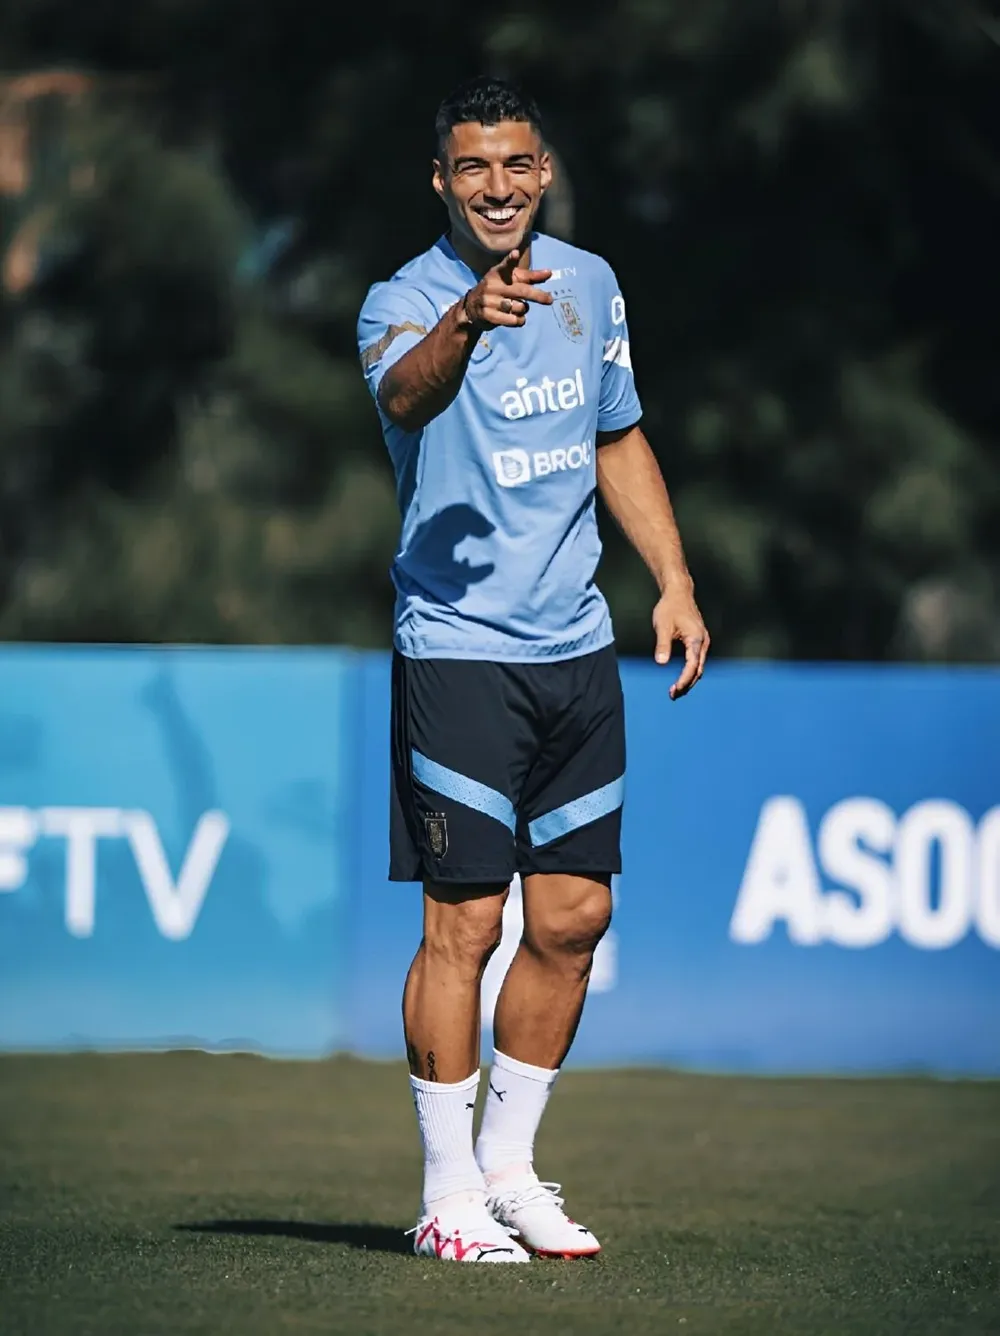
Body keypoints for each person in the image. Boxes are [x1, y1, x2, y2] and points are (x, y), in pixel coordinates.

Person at [357, 76, 708, 1264]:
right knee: (465, 919)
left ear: (541, 171)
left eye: (514, 165)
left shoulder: (593, 283)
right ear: (441, 182)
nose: (495, 186)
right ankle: (446, 1194)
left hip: (577, 650)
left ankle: (509, 1172)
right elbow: (407, 390)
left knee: (573, 916)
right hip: (457, 651)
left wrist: (672, 577)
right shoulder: (399, 303)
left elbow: (615, 433)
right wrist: (467, 319)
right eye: (471, 168)